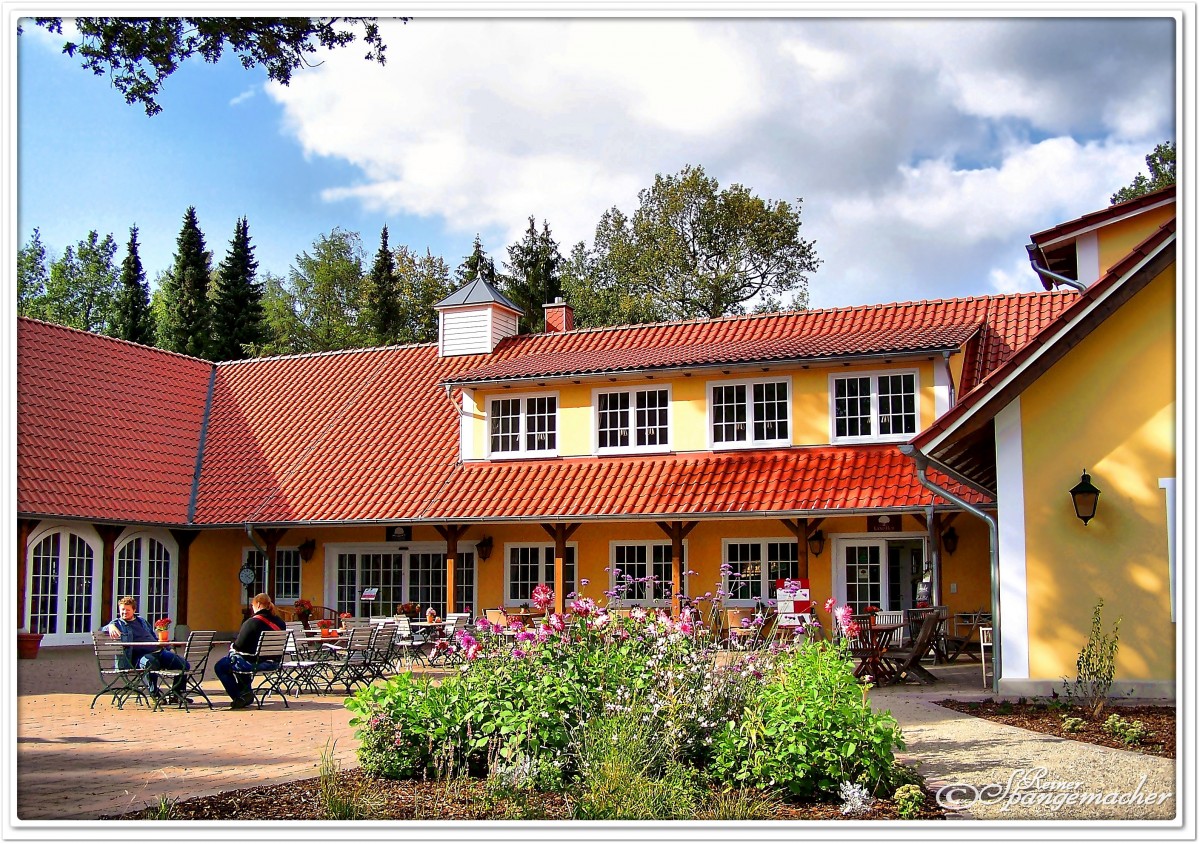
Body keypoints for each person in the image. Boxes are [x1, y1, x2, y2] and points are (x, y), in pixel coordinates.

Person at [105, 595, 189, 703]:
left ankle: (177, 694)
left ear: (134, 610)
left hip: (159, 651)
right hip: (139, 658)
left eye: (127, 610)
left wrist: (167, 647)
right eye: (122, 610)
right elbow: (102, 629)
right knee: (150, 663)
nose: (124, 612)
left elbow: (153, 637)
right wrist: (110, 626)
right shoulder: (117, 623)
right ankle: (154, 693)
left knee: (184, 665)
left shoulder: (142, 621)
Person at [214, 593, 286, 710]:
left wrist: (233, 648)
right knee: (240, 659)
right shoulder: (280, 622)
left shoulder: (252, 622)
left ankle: (239, 696)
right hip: (274, 662)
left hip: (255, 662)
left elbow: (239, 646)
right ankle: (245, 692)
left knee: (222, 665)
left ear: (257, 604)